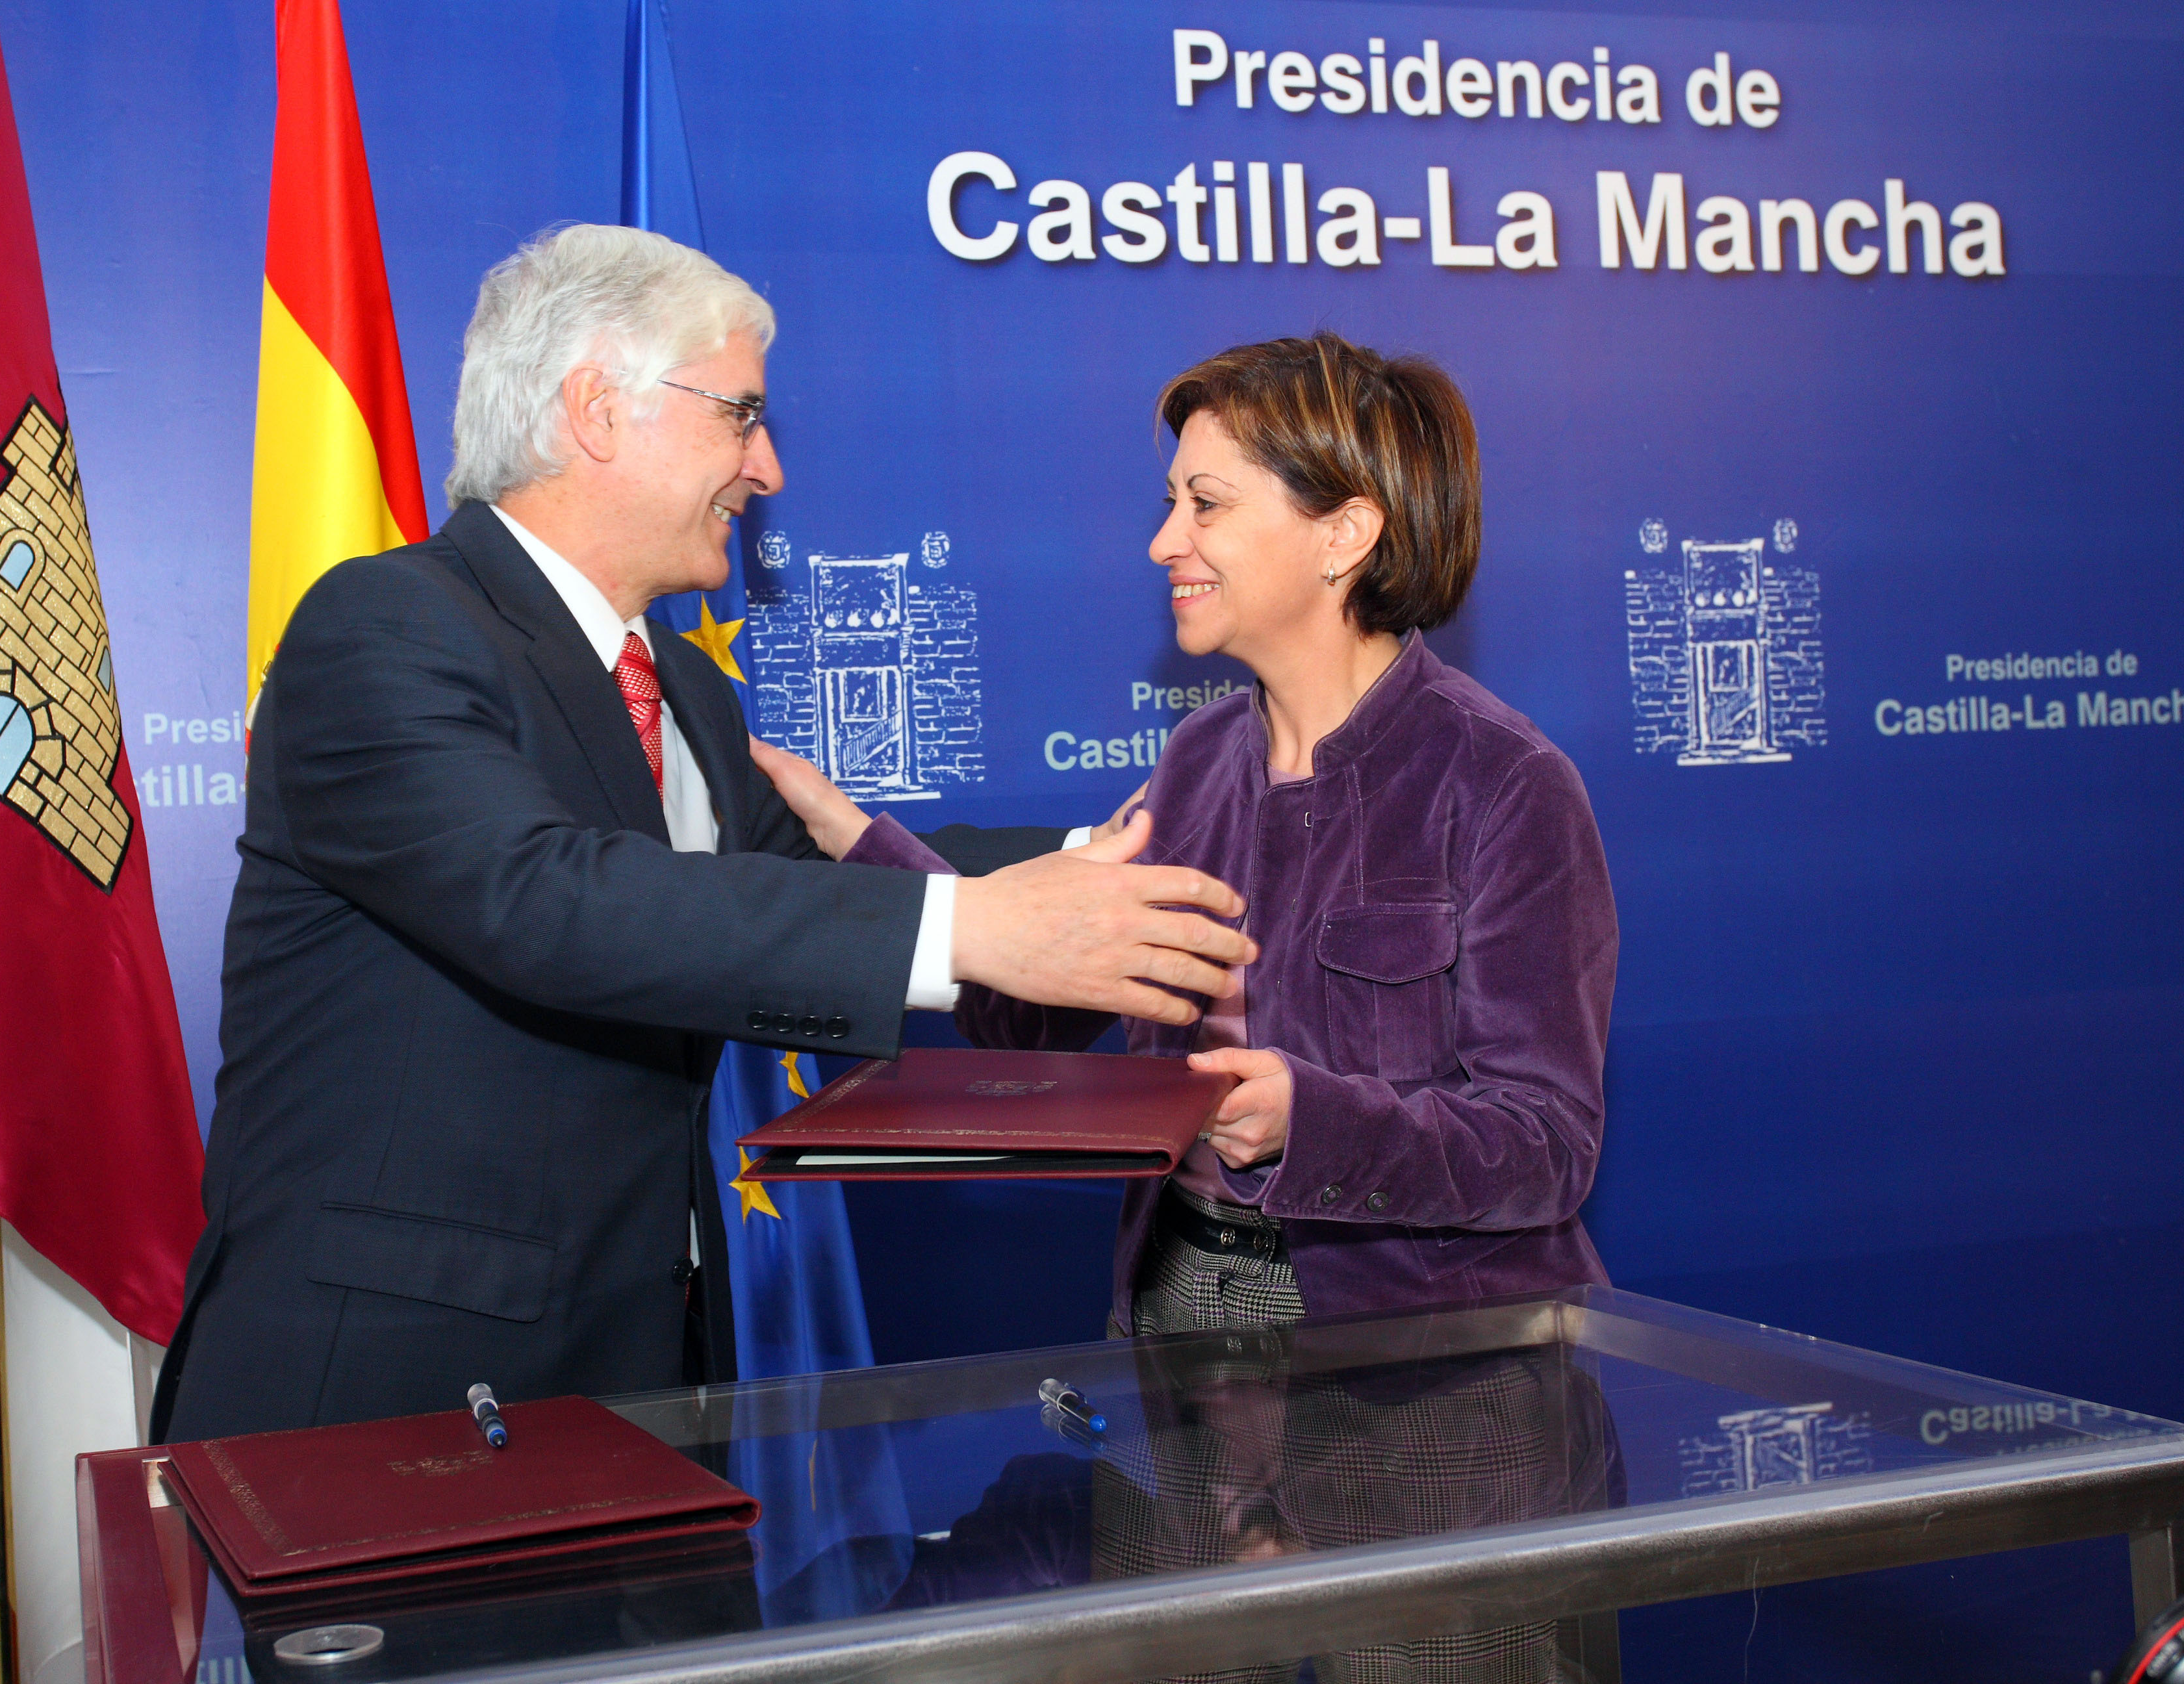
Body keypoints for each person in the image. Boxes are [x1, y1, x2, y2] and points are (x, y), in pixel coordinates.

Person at [150, 226, 1256, 1443]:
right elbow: (549, 899)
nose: (768, 467)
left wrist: (1183, 840)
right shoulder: (384, 629)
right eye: (741, 416)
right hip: (390, 1393)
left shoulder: (683, 688)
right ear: (598, 411)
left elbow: (826, 883)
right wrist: (978, 927)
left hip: (634, 1369)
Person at [761, 331, 1619, 1342]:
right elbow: (1024, 1015)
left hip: (1418, 1356)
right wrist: (857, 839)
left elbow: (1544, 1145)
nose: (1165, 542)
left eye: (1205, 505)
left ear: (1344, 535)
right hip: (1176, 1302)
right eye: (1171, 504)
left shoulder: (1505, 783)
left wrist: (1314, 1118)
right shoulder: (1197, 759)